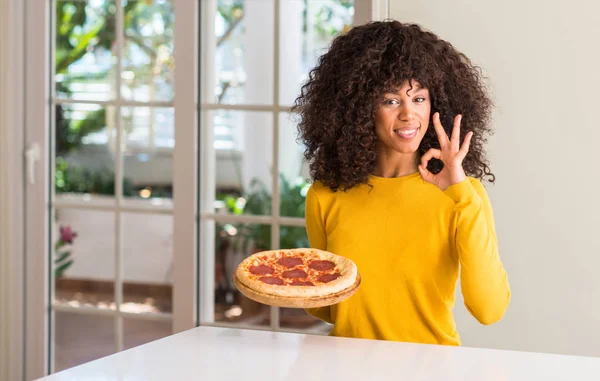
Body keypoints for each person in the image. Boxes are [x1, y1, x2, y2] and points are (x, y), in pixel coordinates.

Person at [293, 20, 511, 346]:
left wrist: (461, 194)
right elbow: (326, 309)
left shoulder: (462, 195)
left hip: (432, 369)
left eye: (419, 98)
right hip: (343, 367)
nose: (409, 115)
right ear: (359, 108)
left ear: (436, 104)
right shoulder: (325, 196)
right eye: (391, 100)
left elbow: (489, 309)